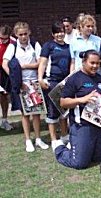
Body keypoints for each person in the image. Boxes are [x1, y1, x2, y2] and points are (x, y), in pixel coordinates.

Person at [53, 50, 101, 169]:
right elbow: (63, 102)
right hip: (82, 125)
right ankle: (60, 148)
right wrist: (82, 99)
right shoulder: (74, 79)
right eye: (92, 63)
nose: (95, 66)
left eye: (98, 63)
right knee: (79, 163)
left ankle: (82, 147)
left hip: (99, 125)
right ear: (84, 62)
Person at [2, 22, 49, 152]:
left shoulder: (35, 44)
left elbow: (40, 62)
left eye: (25, 34)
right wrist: (15, 79)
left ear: (29, 32)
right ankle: (28, 140)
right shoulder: (13, 47)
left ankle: (38, 138)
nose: (23, 37)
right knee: (25, 113)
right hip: (21, 84)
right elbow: (5, 63)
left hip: (34, 82)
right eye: (20, 34)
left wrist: (24, 66)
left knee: (37, 112)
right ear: (16, 35)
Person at [38, 21, 71, 149]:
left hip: (65, 82)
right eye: (57, 32)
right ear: (53, 34)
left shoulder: (69, 47)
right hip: (51, 82)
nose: (60, 34)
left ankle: (64, 136)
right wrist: (40, 78)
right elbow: (43, 63)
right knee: (52, 111)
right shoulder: (48, 46)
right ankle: (54, 140)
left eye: (62, 31)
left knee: (64, 110)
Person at [0, 25, 14, 130]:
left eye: (6, 39)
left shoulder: (13, 42)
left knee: (4, 96)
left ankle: (4, 120)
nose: (3, 41)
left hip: (6, 70)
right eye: (1, 38)